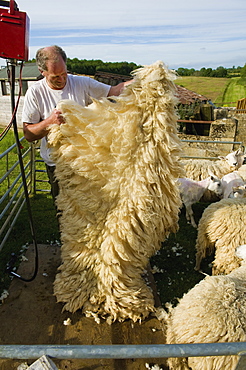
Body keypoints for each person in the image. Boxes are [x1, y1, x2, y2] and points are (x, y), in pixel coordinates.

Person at [22, 45, 132, 202]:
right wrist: (50, 122)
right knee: (65, 208)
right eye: (55, 77)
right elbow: (28, 134)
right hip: (57, 165)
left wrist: (145, 80)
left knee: (92, 205)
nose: (61, 80)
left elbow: (114, 91)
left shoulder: (82, 84)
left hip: (87, 161)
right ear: (42, 72)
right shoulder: (35, 93)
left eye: (64, 74)